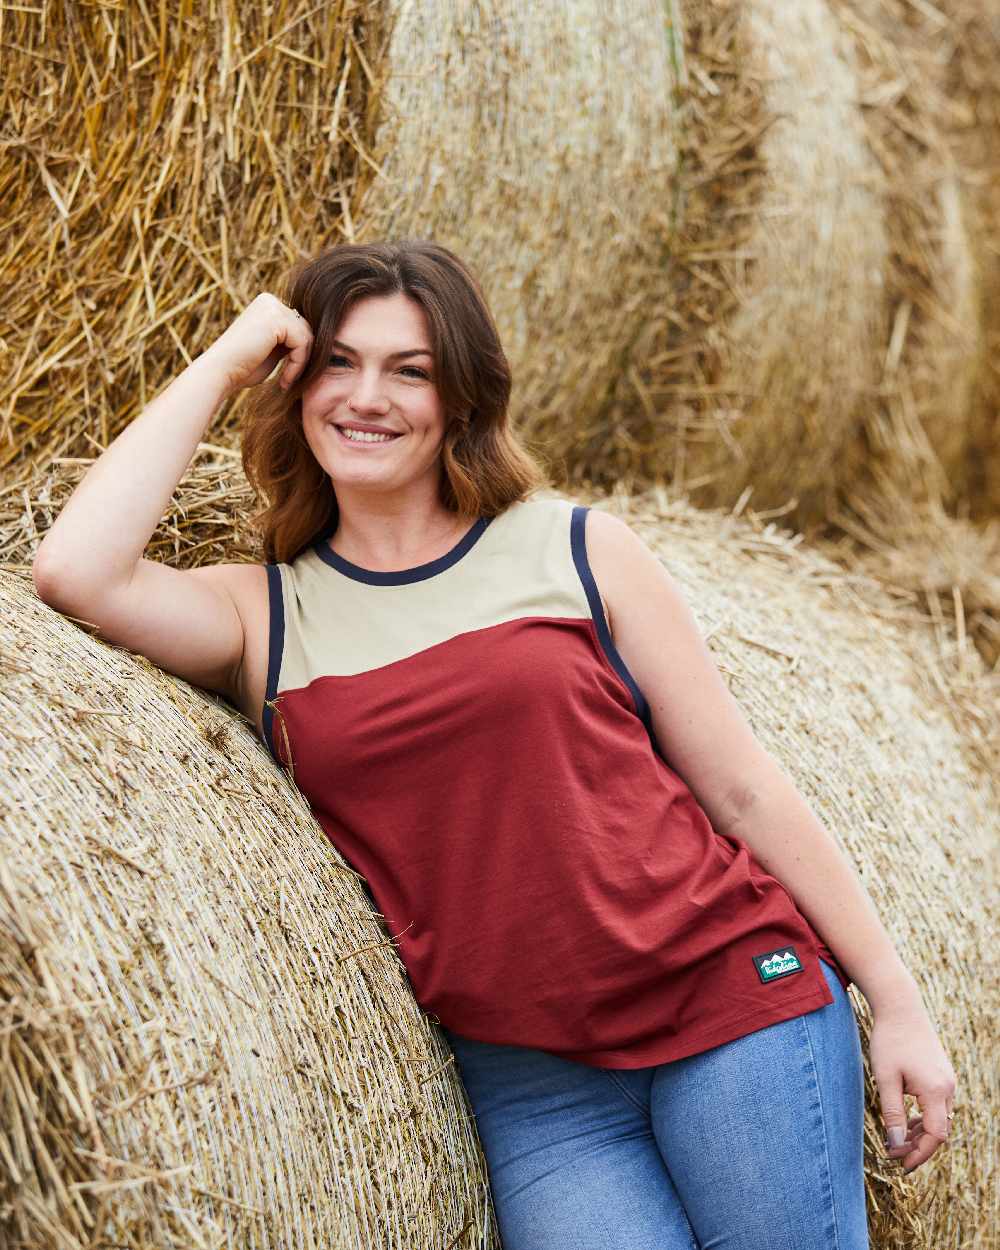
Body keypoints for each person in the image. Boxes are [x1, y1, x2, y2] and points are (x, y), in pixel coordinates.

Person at [32, 239, 957, 1249]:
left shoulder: (569, 545)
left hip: (727, 1005)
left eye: (409, 370)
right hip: (536, 1086)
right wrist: (222, 360)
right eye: (338, 361)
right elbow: (76, 570)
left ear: (460, 399)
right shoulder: (269, 615)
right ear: (295, 385)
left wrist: (895, 996)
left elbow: (739, 789)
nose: (367, 396)